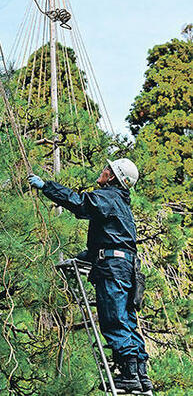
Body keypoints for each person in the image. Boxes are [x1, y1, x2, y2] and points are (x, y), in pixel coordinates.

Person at [28, 159, 153, 395]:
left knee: (114, 319)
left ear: (114, 177)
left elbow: (79, 202)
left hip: (113, 270)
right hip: (127, 269)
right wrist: (83, 257)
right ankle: (140, 374)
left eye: (107, 170)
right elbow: (113, 240)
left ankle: (128, 375)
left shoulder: (108, 197)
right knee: (128, 321)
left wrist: (47, 187)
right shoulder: (123, 206)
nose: (102, 171)